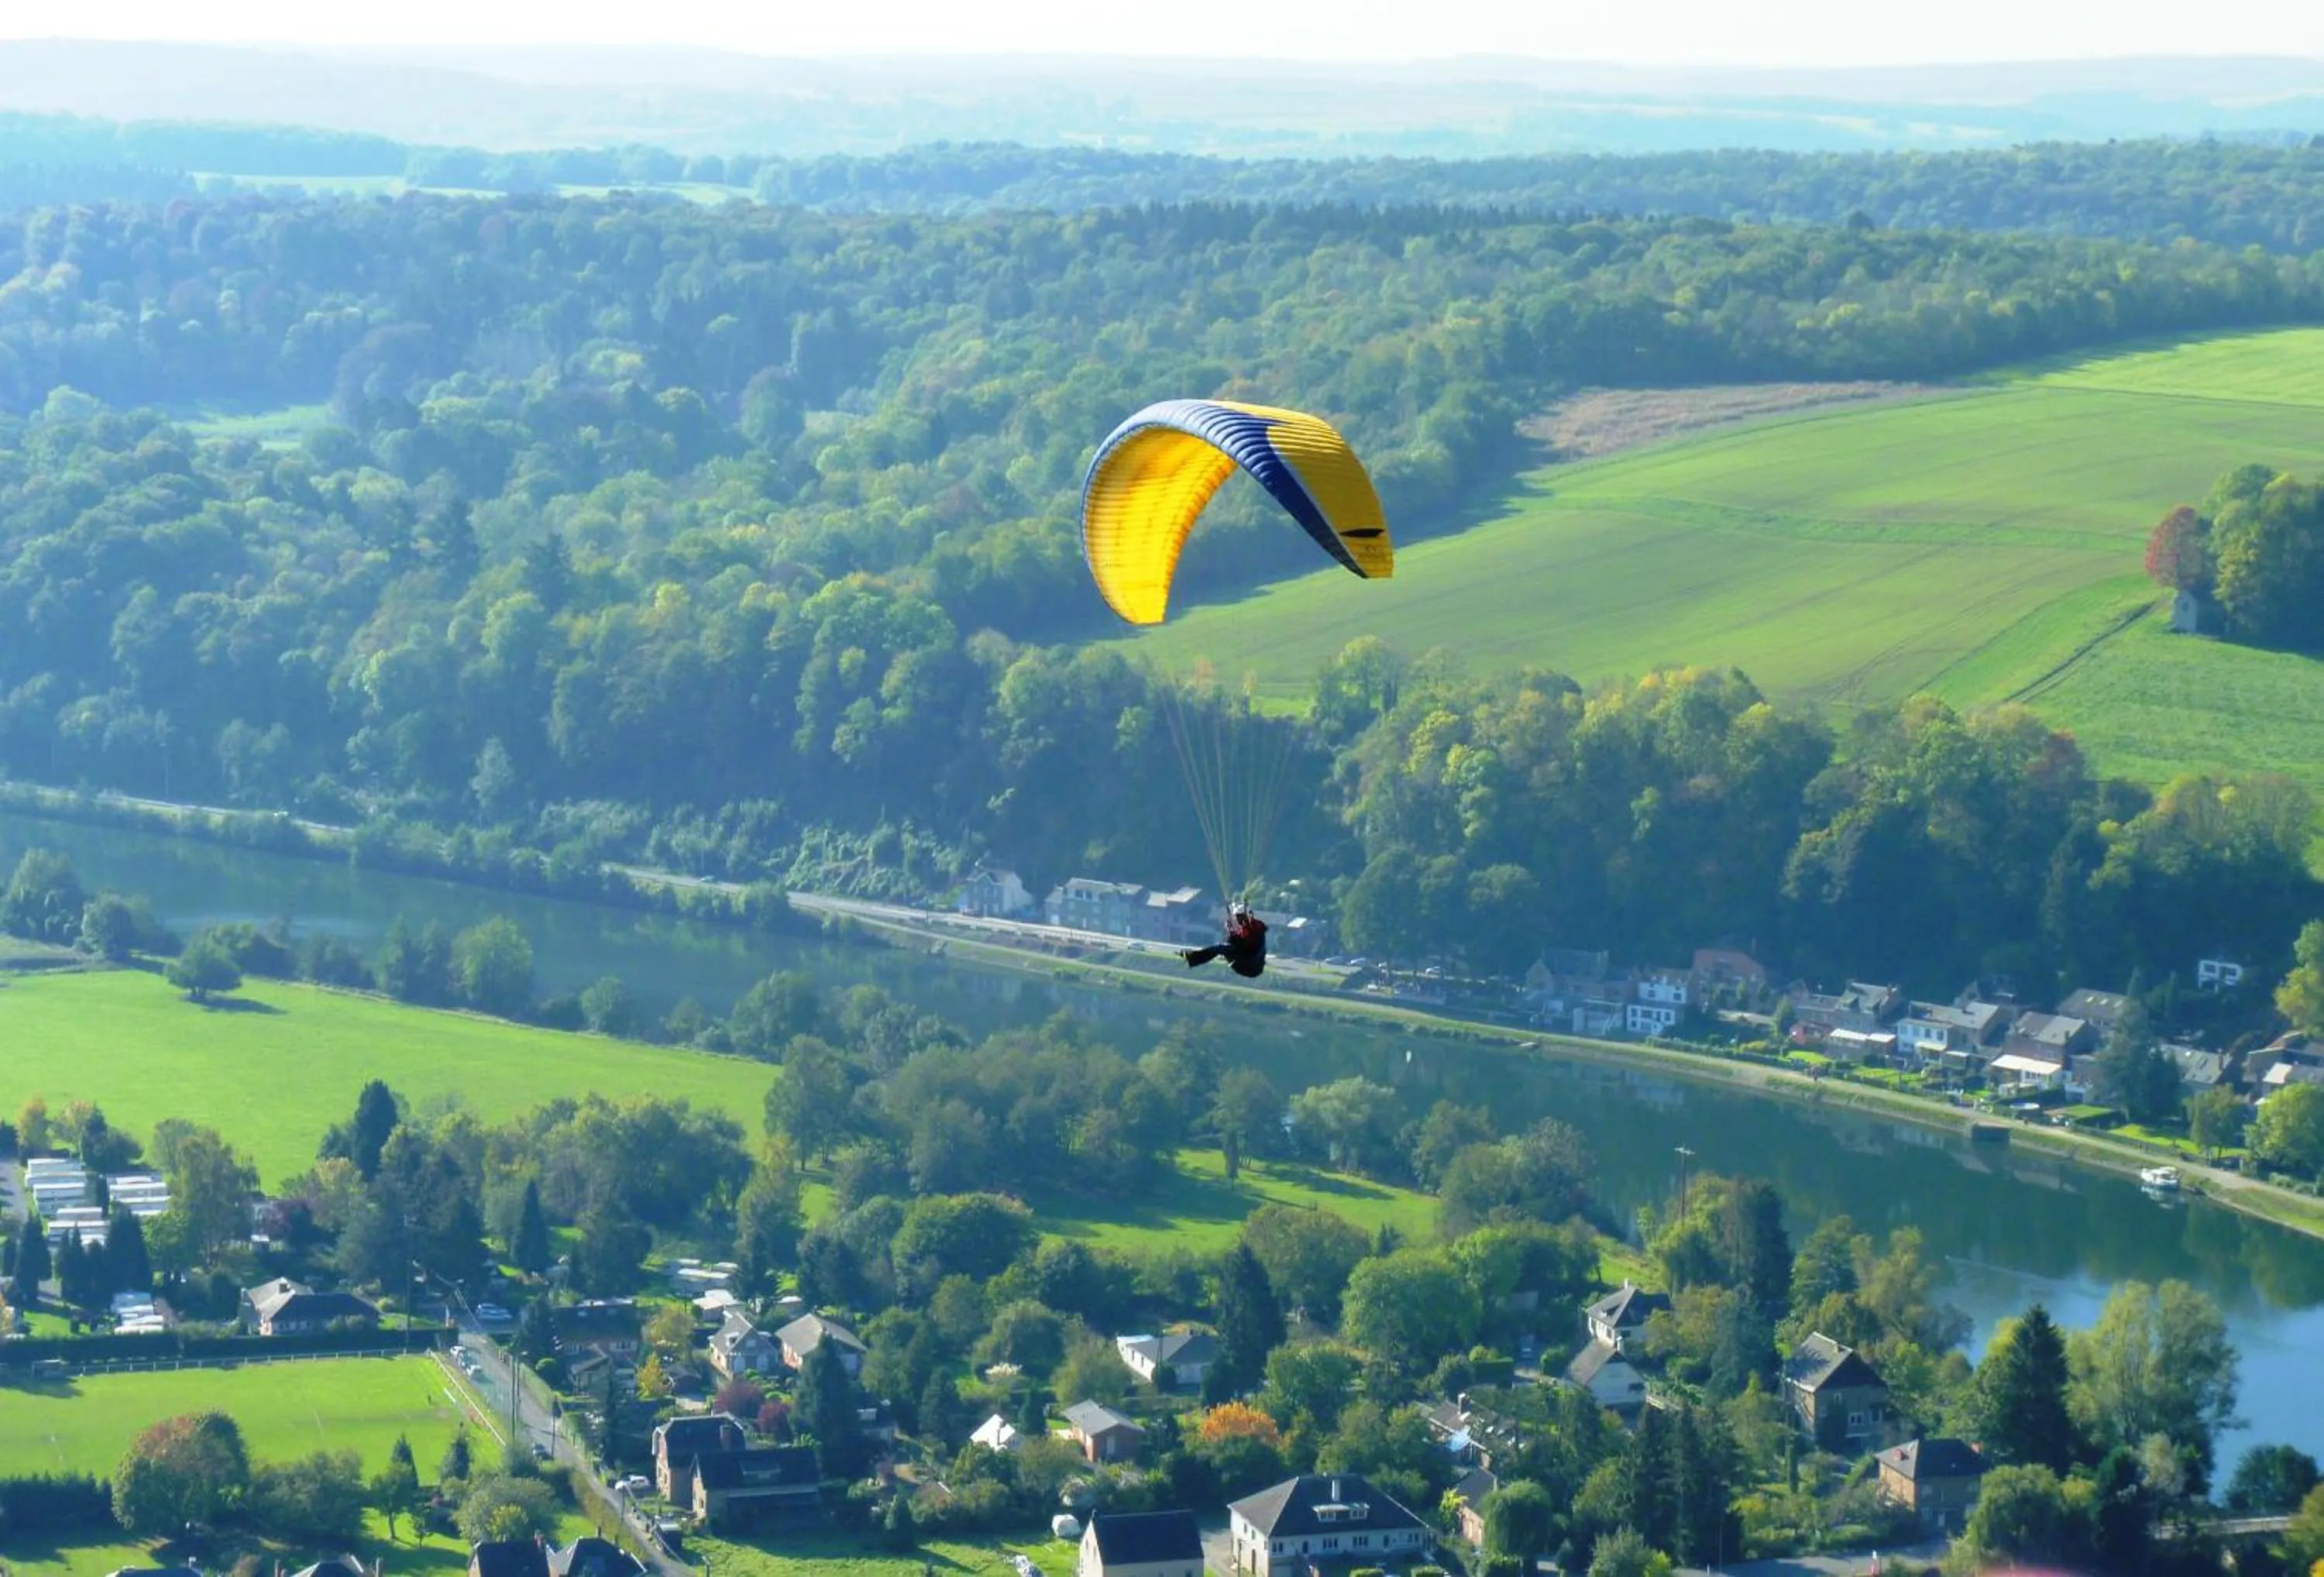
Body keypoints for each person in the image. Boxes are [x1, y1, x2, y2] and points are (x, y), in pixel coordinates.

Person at [1184, 902, 1267, 977]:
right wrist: (1230, 930)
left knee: (1220, 948)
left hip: (1252, 964)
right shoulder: (1245, 929)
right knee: (1221, 947)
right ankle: (1192, 958)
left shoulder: (1254, 926)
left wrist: (1237, 929)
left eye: (1238, 917)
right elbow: (1238, 942)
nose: (1237, 920)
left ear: (1244, 917)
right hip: (1244, 965)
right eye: (1236, 917)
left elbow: (1247, 942)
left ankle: (1193, 959)